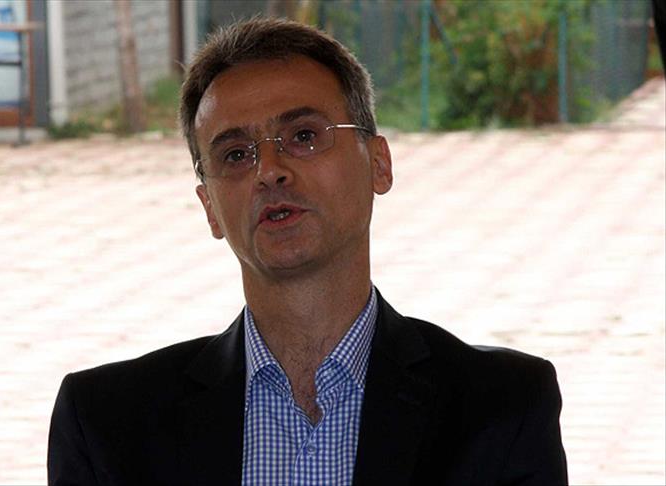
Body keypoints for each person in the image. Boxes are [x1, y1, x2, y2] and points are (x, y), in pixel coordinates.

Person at [48, 17, 568, 485]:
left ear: (379, 164)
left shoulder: (502, 407)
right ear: (210, 208)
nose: (269, 171)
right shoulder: (106, 423)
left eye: (302, 136)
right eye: (236, 154)